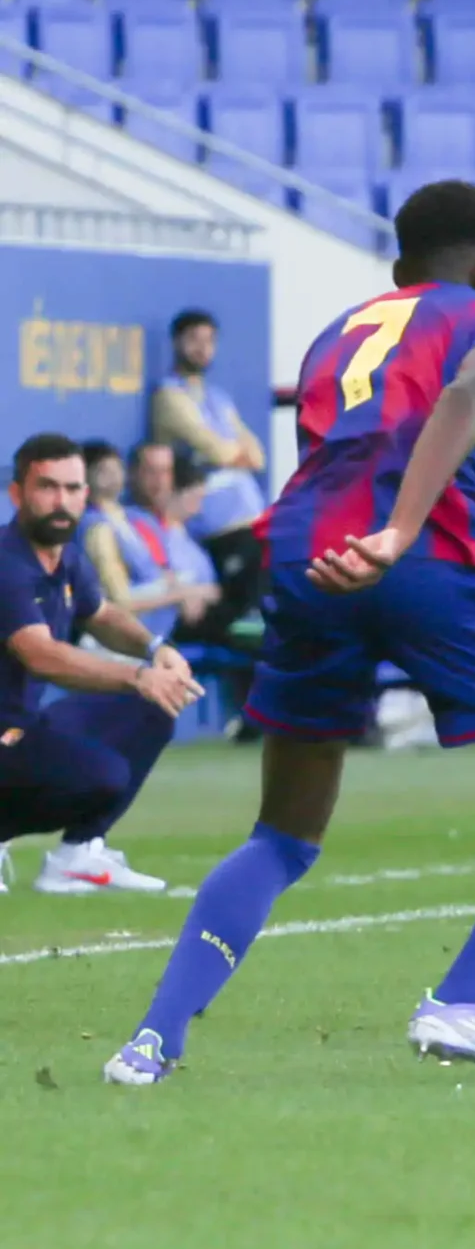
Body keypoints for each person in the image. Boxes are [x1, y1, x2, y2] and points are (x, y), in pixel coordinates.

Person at [102, 182, 475, 1086]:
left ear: (399, 268)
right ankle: (466, 1000)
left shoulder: (337, 334)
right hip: (410, 550)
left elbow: (354, 467)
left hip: (304, 554)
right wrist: (402, 535)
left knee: (283, 834)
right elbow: (469, 396)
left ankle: (151, 1042)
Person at [2, 432, 196, 896]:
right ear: (17, 494)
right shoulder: (7, 564)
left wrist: (156, 648)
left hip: (22, 728)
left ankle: (77, 856)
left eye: (72, 488)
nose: (61, 502)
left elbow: (101, 614)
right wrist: (137, 676)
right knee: (102, 775)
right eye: (47, 487)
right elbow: (41, 655)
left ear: (85, 494)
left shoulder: (65, 555)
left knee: (154, 710)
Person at [150, 307, 267, 627]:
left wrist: (235, 455)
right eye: (194, 340)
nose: (202, 348)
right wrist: (234, 456)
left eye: (209, 341)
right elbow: (216, 449)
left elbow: (257, 455)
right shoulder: (169, 396)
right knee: (237, 612)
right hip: (212, 523)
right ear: (176, 342)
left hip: (250, 518)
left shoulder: (217, 398)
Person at [79, 439, 220, 645]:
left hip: (157, 635)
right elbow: (119, 601)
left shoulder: (136, 519)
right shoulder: (95, 527)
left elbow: (163, 572)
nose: (113, 477)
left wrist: (190, 593)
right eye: (103, 471)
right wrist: (183, 594)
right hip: (117, 644)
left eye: (117, 469)